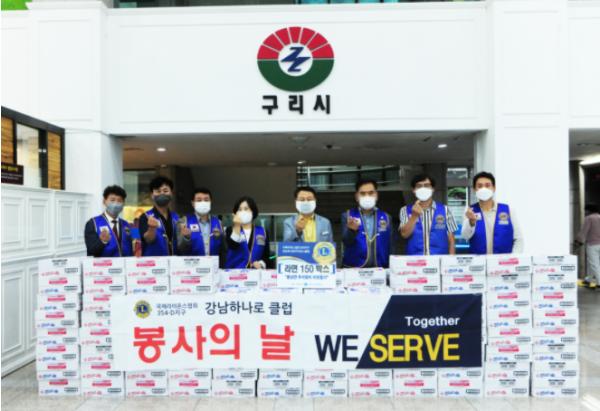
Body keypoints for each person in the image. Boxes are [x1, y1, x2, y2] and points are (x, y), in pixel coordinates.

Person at [461, 171, 523, 254]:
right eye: (480, 186)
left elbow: (518, 239)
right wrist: (471, 222)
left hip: (503, 261)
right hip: (479, 261)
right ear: (474, 189)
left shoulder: (508, 210)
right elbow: (465, 236)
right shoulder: (470, 211)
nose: (483, 189)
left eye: (487, 185)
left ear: (494, 188)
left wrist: (513, 258)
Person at [399, 174, 457, 255]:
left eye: (426, 185)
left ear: (432, 189)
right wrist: (414, 216)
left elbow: (451, 240)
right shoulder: (405, 210)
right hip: (415, 260)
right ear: (413, 190)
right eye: (419, 186)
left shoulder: (445, 210)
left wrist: (451, 260)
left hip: (439, 259)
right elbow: (404, 234)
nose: (423, 188)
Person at [341, 179, 393, 268]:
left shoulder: (386, 217)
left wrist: (391, 266)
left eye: (371, 193)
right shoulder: (348, 215)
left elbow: (391, 245)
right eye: (362, 193)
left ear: (376, 195)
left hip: (380, 267)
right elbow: (346, 242)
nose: (367, 196)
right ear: (356, 197)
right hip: (354, 268)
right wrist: (351, 231)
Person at [177, 187, 225, 265]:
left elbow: (223, 249)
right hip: (192, 267)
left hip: (213, 266)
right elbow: (180, 249)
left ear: (210, 202)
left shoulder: (218, 222)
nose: (203, 202)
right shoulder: (184, 221)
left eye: (206, 200)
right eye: (199, 200)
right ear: (192, 203)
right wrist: (186, 238)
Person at [84, 185, 133, 257]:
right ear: (104, 201)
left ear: (123, 203)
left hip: (125, 263)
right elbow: (91, 251)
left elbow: (130, 249)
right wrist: (102, 241)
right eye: (112, 200)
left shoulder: (126, 224)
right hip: (103, 264)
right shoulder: (93, 223)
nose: (116, 204)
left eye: (119, 201)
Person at [225, 196, 273, 269]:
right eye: (239, 209)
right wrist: (237, 226)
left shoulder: (263, 232)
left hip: (255, 273)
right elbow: (233, 246)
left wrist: (261, 264)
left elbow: (267, 257)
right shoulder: (230, 230)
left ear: (252, 212)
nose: (243, 212)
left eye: (246, 209)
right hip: (234, 273)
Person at [138, 176, 179, 256]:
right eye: (158, 191)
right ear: (152, 195)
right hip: (153, 262)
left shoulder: (176, 217)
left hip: (174, 261)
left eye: (165, 191)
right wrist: (151, 228)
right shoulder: (146, 216)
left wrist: (186, 237)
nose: (162, 193)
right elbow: (148, 240)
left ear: (171, 194)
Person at [576, 204, 600, 289]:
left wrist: (578, 241)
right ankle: (589, 280)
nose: (585, 212)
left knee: (594, 264)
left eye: (585, 210)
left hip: (593, 245)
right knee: (591, 263)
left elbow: (584, 231)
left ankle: (599, 282)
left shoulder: (589, 218)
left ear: (589, 210)